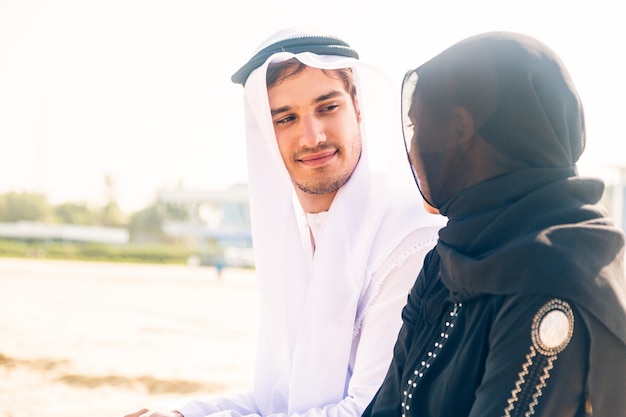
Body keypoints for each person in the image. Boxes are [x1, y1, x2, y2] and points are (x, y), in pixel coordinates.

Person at [124, 28, 443, 417]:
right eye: (286, 118)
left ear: (357, 106)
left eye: (327, 108)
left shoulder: (409, 237)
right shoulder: (301, 239)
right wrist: (181, 413)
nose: (313, 136)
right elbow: (276, 399)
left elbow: (369, 409)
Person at [362, 31, 626, 417]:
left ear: (459, 130)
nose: (413, 149)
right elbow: (387, 406)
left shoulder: (553, 282)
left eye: (418, 127)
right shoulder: (448, 258)